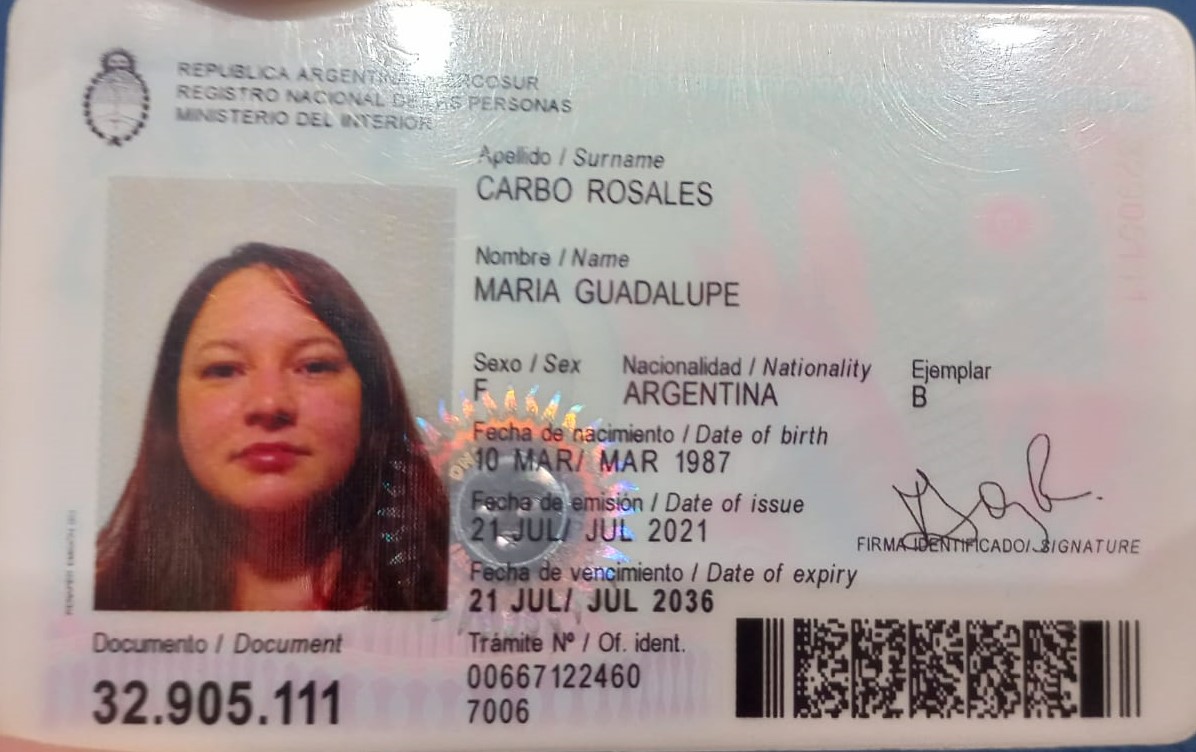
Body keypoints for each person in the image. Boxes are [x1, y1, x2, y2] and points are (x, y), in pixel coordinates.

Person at [95, 243, 448, 611]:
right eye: (224, 370)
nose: (269, 403)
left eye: (314, 366)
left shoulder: (462, 595)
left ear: (371, 397)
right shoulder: (95, 609)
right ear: (172, 408)